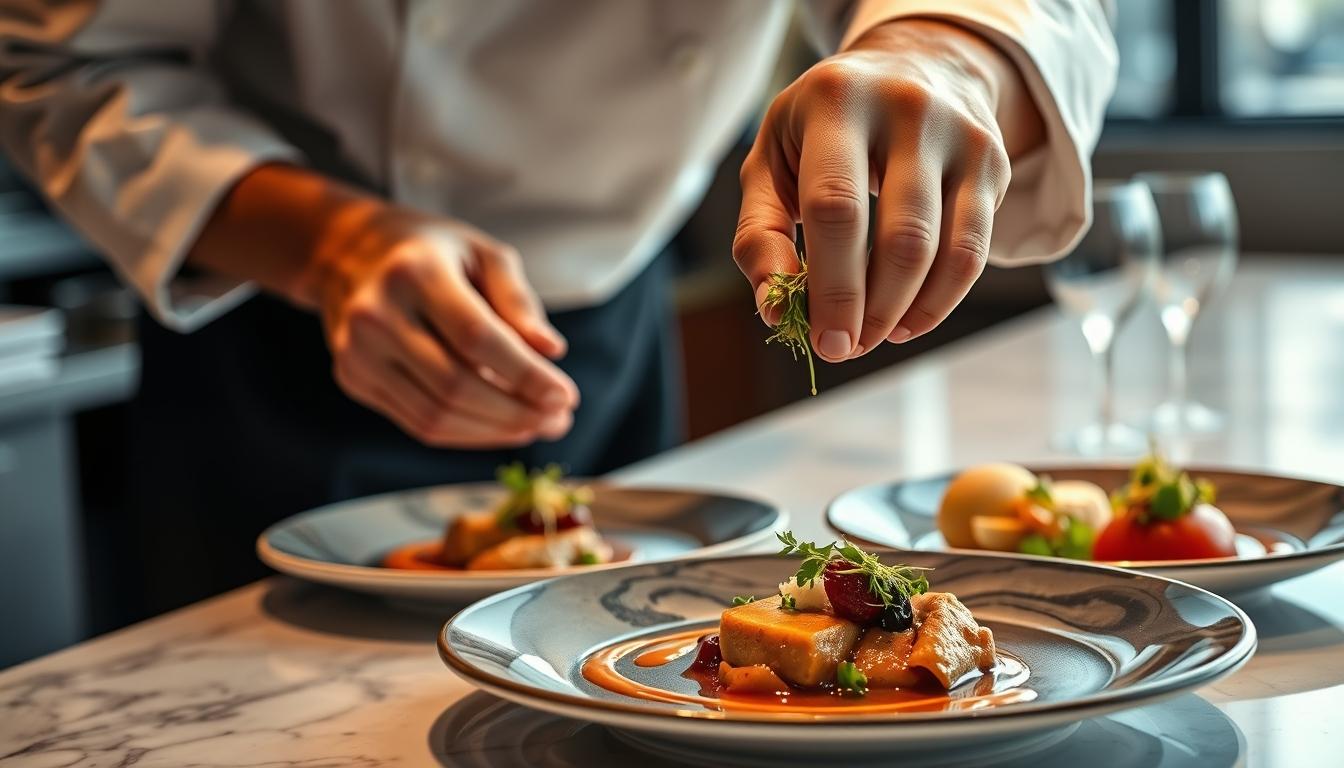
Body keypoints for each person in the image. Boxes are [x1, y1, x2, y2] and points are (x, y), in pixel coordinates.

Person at [0, 1, 1116, 614]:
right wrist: (333, 243)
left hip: (610, 316)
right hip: (268, 313)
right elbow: (62, 64)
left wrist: (943, 55)